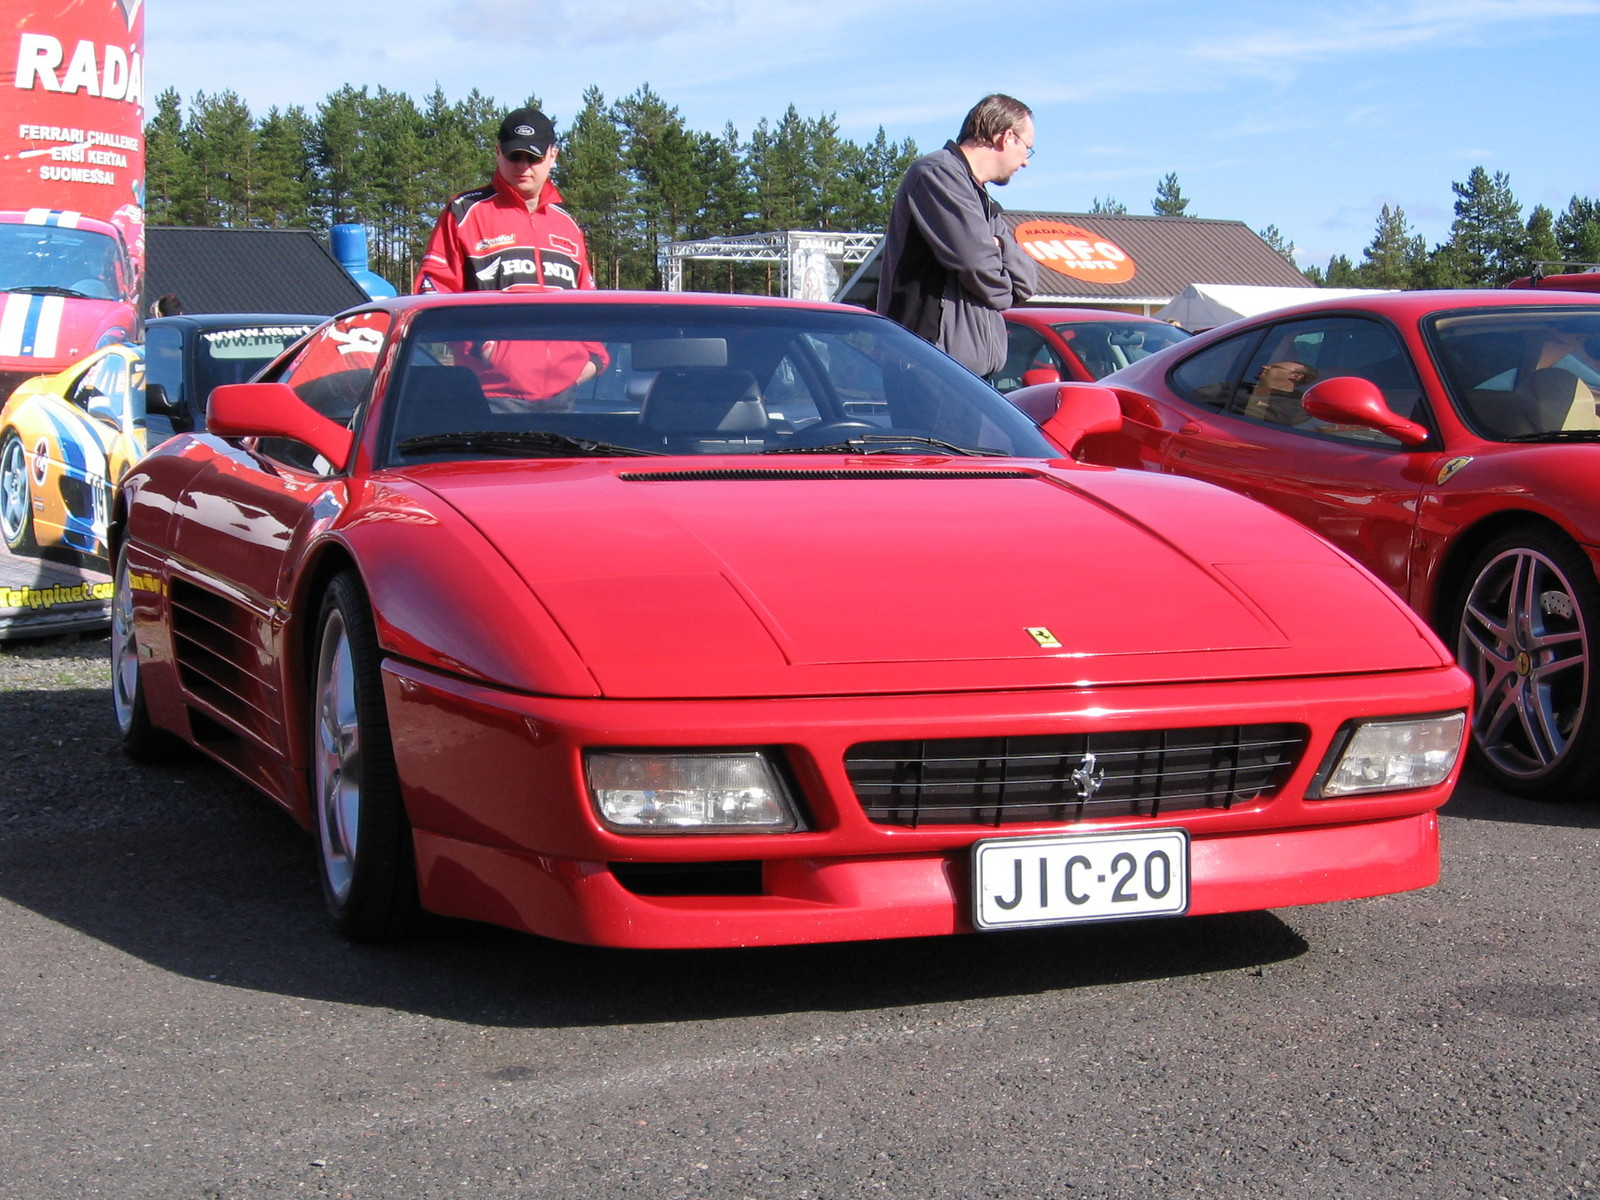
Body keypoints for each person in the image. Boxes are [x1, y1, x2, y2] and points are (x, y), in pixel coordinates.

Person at [414, 106, 605, 405]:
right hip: (490, 393)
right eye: (514, 156)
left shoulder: (566, 224)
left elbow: (589, 306)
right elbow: (432, 295)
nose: (523, 166)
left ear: (553, 156)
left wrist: (592, 361)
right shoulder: (465, 212)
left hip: (565, 395)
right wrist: (483, 348)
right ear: (498, 153)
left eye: (534, 157)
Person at [877, 94, 1038, 377]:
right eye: (1027, 149)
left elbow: (1025, 282)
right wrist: (1000, 280)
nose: (1026, 162)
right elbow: (979, 266)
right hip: (927, 368)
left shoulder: (982, 199)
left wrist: (997, 245)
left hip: (968, 380)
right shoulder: (937, 174)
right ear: (1007, 137)